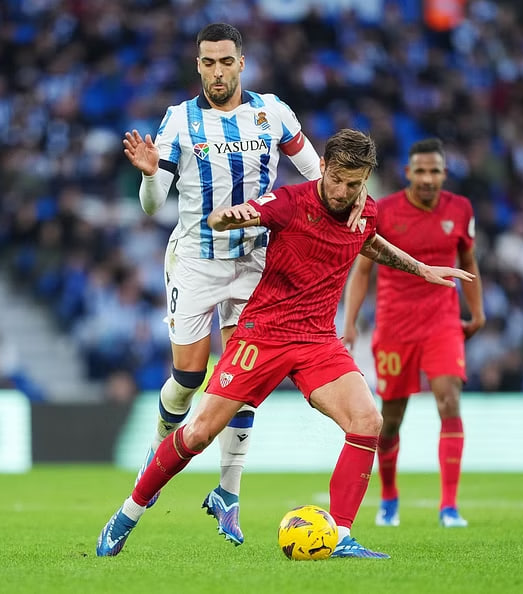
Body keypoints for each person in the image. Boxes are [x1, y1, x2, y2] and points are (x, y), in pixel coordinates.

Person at [96, 129, 476, 558]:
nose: (343, 190)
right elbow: (230, 218)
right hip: (265, 334)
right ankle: (126, 514)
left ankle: (341, 535)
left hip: (317, 341)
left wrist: (422, 269)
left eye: (354, 183)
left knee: (367, 420)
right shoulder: (290, 203)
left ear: (366, 178)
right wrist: (231, 216)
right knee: (200, 433)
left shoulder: (364, 210)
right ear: (324, 168)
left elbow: (367, 241)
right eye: (336, 179)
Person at [122, 23, 365, 545]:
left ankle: (227, 493)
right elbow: (152, 205)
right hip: (196, 261)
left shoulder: (272, 113)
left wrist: (356, 196)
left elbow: (316, 174)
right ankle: (161, 448)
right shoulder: (178, 122)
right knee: (189, 379)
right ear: (198, 65)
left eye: (225, 61)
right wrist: (147, 174)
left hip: (257, 263)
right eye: (207, 62)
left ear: (241, 62)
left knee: (243, 376)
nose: (216, 71)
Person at [342, 138, 485, 528]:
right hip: (395, 326)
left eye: (434, 171)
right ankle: (389, 498)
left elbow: (468, 260)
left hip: (442, 322)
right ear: (408, 173)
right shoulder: (384, 211)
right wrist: (350, 321)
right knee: (390, 418)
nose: (426, 178)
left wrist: (478, 311)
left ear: (443, 174)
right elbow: (363, 269)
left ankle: (449, 507)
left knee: (448, 401)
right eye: (419, 171)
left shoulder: (460, 210)